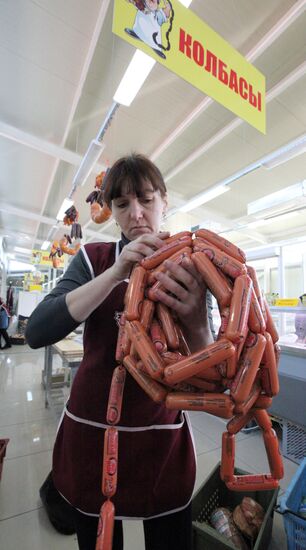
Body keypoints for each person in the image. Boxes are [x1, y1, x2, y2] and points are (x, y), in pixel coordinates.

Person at [26, 154, 214, 550]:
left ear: (165, 201)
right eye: (123, 205)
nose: (137, 214)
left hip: (162, 435)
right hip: (93, 433)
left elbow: (209, 370)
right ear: (112, 212)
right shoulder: (92, 261)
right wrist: (116, 274)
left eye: (146, 200)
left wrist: (197, 319)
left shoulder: (192, 266)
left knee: (170, 538)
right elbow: (39, 330)